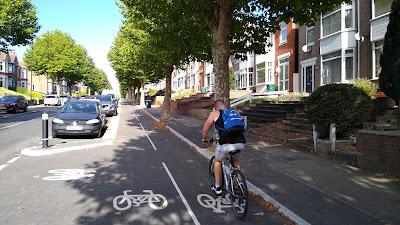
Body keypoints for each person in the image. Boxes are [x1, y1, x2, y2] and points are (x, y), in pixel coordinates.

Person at [202, 100, 246, 195]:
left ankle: (217, 187)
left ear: (216, 108)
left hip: (226, 144)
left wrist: (205, 138)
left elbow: (205, 128)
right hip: (240, 143)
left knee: (218, 161)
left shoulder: (215, 113)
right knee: (235, 161)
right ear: (225, 106)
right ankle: (237, 183)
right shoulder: (234, 113)